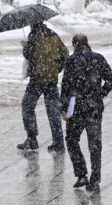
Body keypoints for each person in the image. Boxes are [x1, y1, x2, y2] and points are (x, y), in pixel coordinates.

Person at [61, 34, 112, 192]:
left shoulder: (71, 61)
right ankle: (95, 180)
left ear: (75, 45)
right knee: (95, 145)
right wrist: (100, 94)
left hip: (77, 108)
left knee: (72, 140)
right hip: (94, 108)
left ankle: (81, 174)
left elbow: (65, 87)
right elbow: (111, 79)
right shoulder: (98, 58)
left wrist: (63, 109)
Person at [17, 21, 69, 152]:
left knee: (27, 106)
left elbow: (27, 55)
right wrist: (57, 68)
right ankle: (58, 142)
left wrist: (25, 47)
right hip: (51, 78)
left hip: (37, 79)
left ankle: (32, 139)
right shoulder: (53, 34)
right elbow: (65, 54)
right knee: (53, 111)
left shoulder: (33, 36)